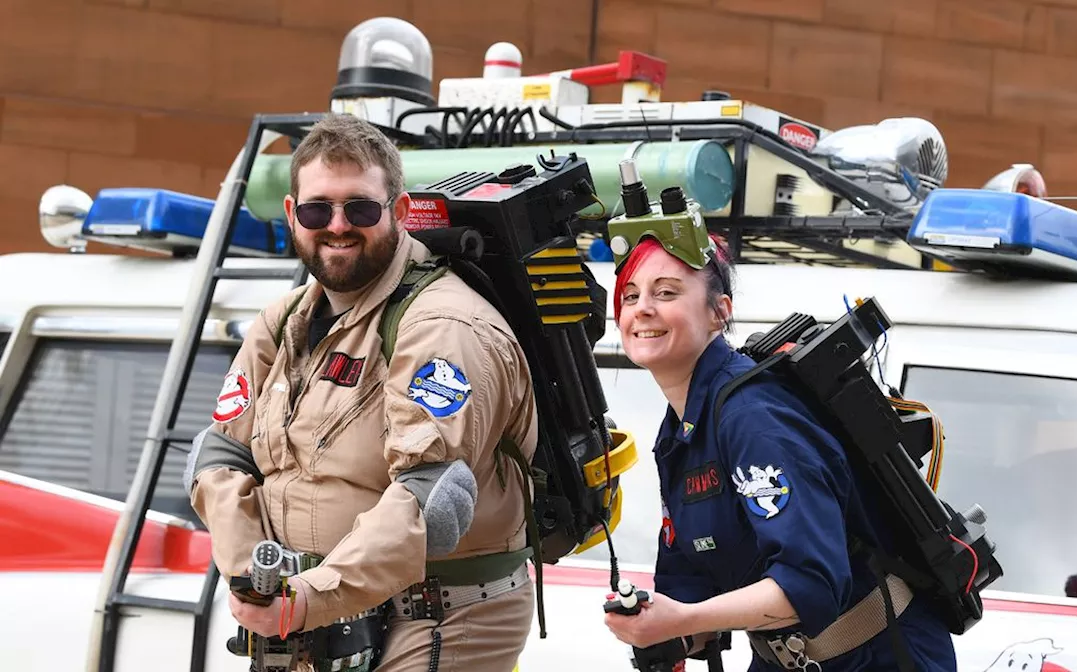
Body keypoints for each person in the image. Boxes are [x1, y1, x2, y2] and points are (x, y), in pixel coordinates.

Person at [184, 113, 538, 672]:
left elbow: (430, 500)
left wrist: (306, 599)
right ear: (293, 216)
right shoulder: (282, 322)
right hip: (307, 630)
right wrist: (256, 579)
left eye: (361, 208)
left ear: (398, 212)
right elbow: (221, 455)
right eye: (318, 208)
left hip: (432, 625)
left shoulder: (443, 327)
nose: (337, 225)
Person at [601, 224, 958, 671]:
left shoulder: (751, 417)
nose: (643, 310)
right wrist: (665, 629)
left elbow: (808, 584)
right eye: (630, 297)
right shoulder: (679, 431)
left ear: (719, 312)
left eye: (667, 293)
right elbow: (688, 581)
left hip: (879, 657)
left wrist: (685, 618)